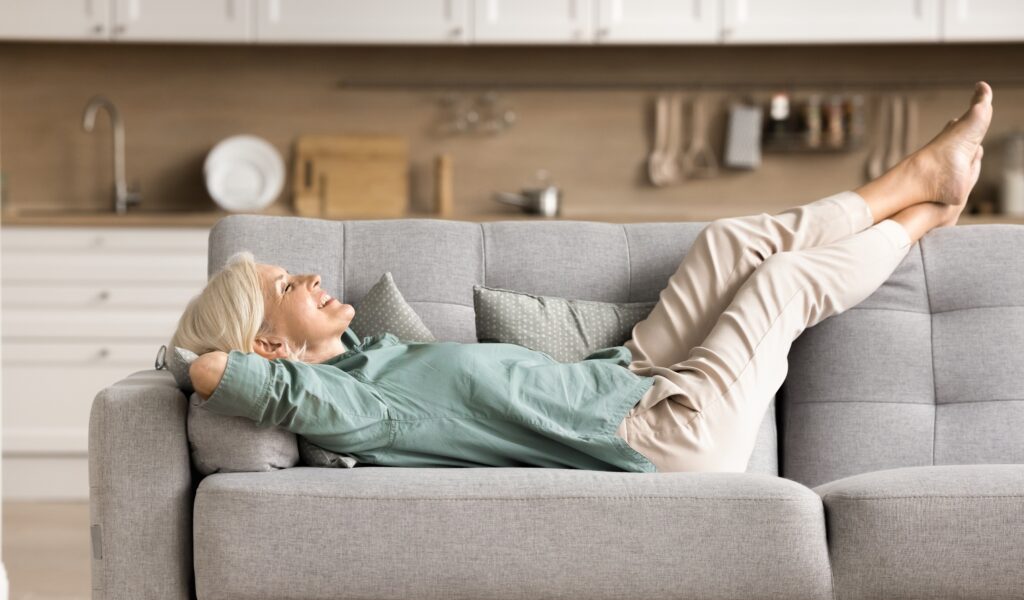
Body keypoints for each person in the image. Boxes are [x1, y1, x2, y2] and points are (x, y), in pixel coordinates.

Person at [176, 82, 993, 474]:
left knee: (728, 243)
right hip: (660, 437)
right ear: (271, 343)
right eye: (288, 283)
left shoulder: (367, 360)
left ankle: (918, 175)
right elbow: (217, 370)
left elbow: (267, 365)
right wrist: (180, 358)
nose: (312, 274)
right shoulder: (352, 404)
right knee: (779, 283)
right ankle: (926, 214)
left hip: (630, 379)